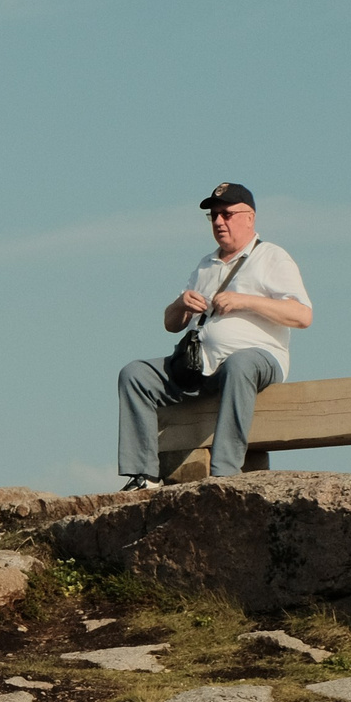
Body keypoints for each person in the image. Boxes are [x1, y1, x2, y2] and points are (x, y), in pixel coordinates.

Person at [116, 181, 313, 489]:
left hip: (259, 360)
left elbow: (302, 315)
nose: (219, 222)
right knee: (135, 374)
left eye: (227, 214)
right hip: (200, 366)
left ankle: (225, 473)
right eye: (214, 216)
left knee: (240, 363)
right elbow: (171, 324)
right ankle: (143, 475)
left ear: (249, 217)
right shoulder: (205, 264)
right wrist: (181, 304)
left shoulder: (272, 257)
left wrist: (245, 300)